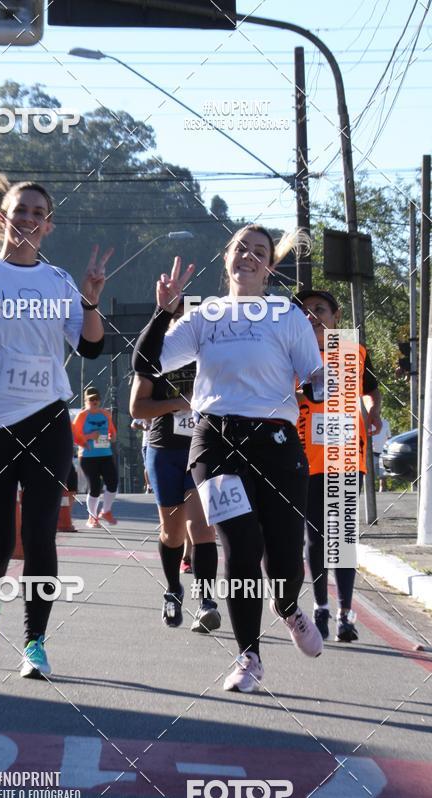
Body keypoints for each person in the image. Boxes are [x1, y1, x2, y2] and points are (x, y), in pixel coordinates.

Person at [0, 168, 112, 677]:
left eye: (38, 213)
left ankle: (35, 642)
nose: (29, 219)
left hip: (47, 421)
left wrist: (91, 297)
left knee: (40, 538)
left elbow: (92, 347)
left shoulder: (59, 282)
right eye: (21, 211)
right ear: (3, 218)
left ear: (48, 225)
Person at [133, 226, 325, 693]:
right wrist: (163, 312)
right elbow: (147, 363)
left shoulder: (287, 314)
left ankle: (287, 605)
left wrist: (323, 386)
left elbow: (314, 374)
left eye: (259, 252)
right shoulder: (205, 315)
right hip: (216, 443)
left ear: (269, 267)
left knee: (283, 559)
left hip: (277, 444)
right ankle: (248, 656)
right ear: (227, 259)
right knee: (240, 547)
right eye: (241, 248)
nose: (249, 256)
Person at [295, 289, 382, 643]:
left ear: (336, 316)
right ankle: (321, 607)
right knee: (315, 540)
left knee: (343, 539)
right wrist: (301, 393)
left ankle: (346, 613)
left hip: (346, 456)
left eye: (320, 309)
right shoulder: (290, 352)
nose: (312, 315)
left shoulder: (352, 351)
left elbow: (370, 389)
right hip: (305, 460)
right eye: (305, 310)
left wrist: (373, 411)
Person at [130, 296, 220, 633]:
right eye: (176, 317)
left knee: (202, 529)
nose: (183, 323)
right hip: (164, 450)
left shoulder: (210, 356)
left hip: (203, 449)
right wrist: (178, 403)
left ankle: (207, 602)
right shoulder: (156, 359)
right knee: (172, 533)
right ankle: (173, 590)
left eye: (189, 317)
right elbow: (137, 409)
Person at [72, 388, 119, 527]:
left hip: (105, 454)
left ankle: (106, 511)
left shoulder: (105, 414)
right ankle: (92, 518)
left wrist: (112, 437)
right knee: (95, 487)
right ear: (86, 401)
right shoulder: (81, 416)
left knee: (112, 483)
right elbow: (75, 437)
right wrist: (89, 437)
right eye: (91, 399)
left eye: (96, 399)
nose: (95, 402)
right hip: (88, 456)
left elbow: (113, 434)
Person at [131, 417, 152, 493]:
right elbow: (133, 424)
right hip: (147, 444)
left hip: (159, 443)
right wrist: (144, 428)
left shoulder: (160, 410)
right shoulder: (144, 412)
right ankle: (149, 486)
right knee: (147, 465)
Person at [372, 416, 391, 491]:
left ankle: (382, 490)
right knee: (371, 474)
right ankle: (371, 490)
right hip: (372, 453)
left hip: (383, 453)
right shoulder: (368, 422)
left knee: (382, 474)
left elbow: (389, 437)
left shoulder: (385, 423)